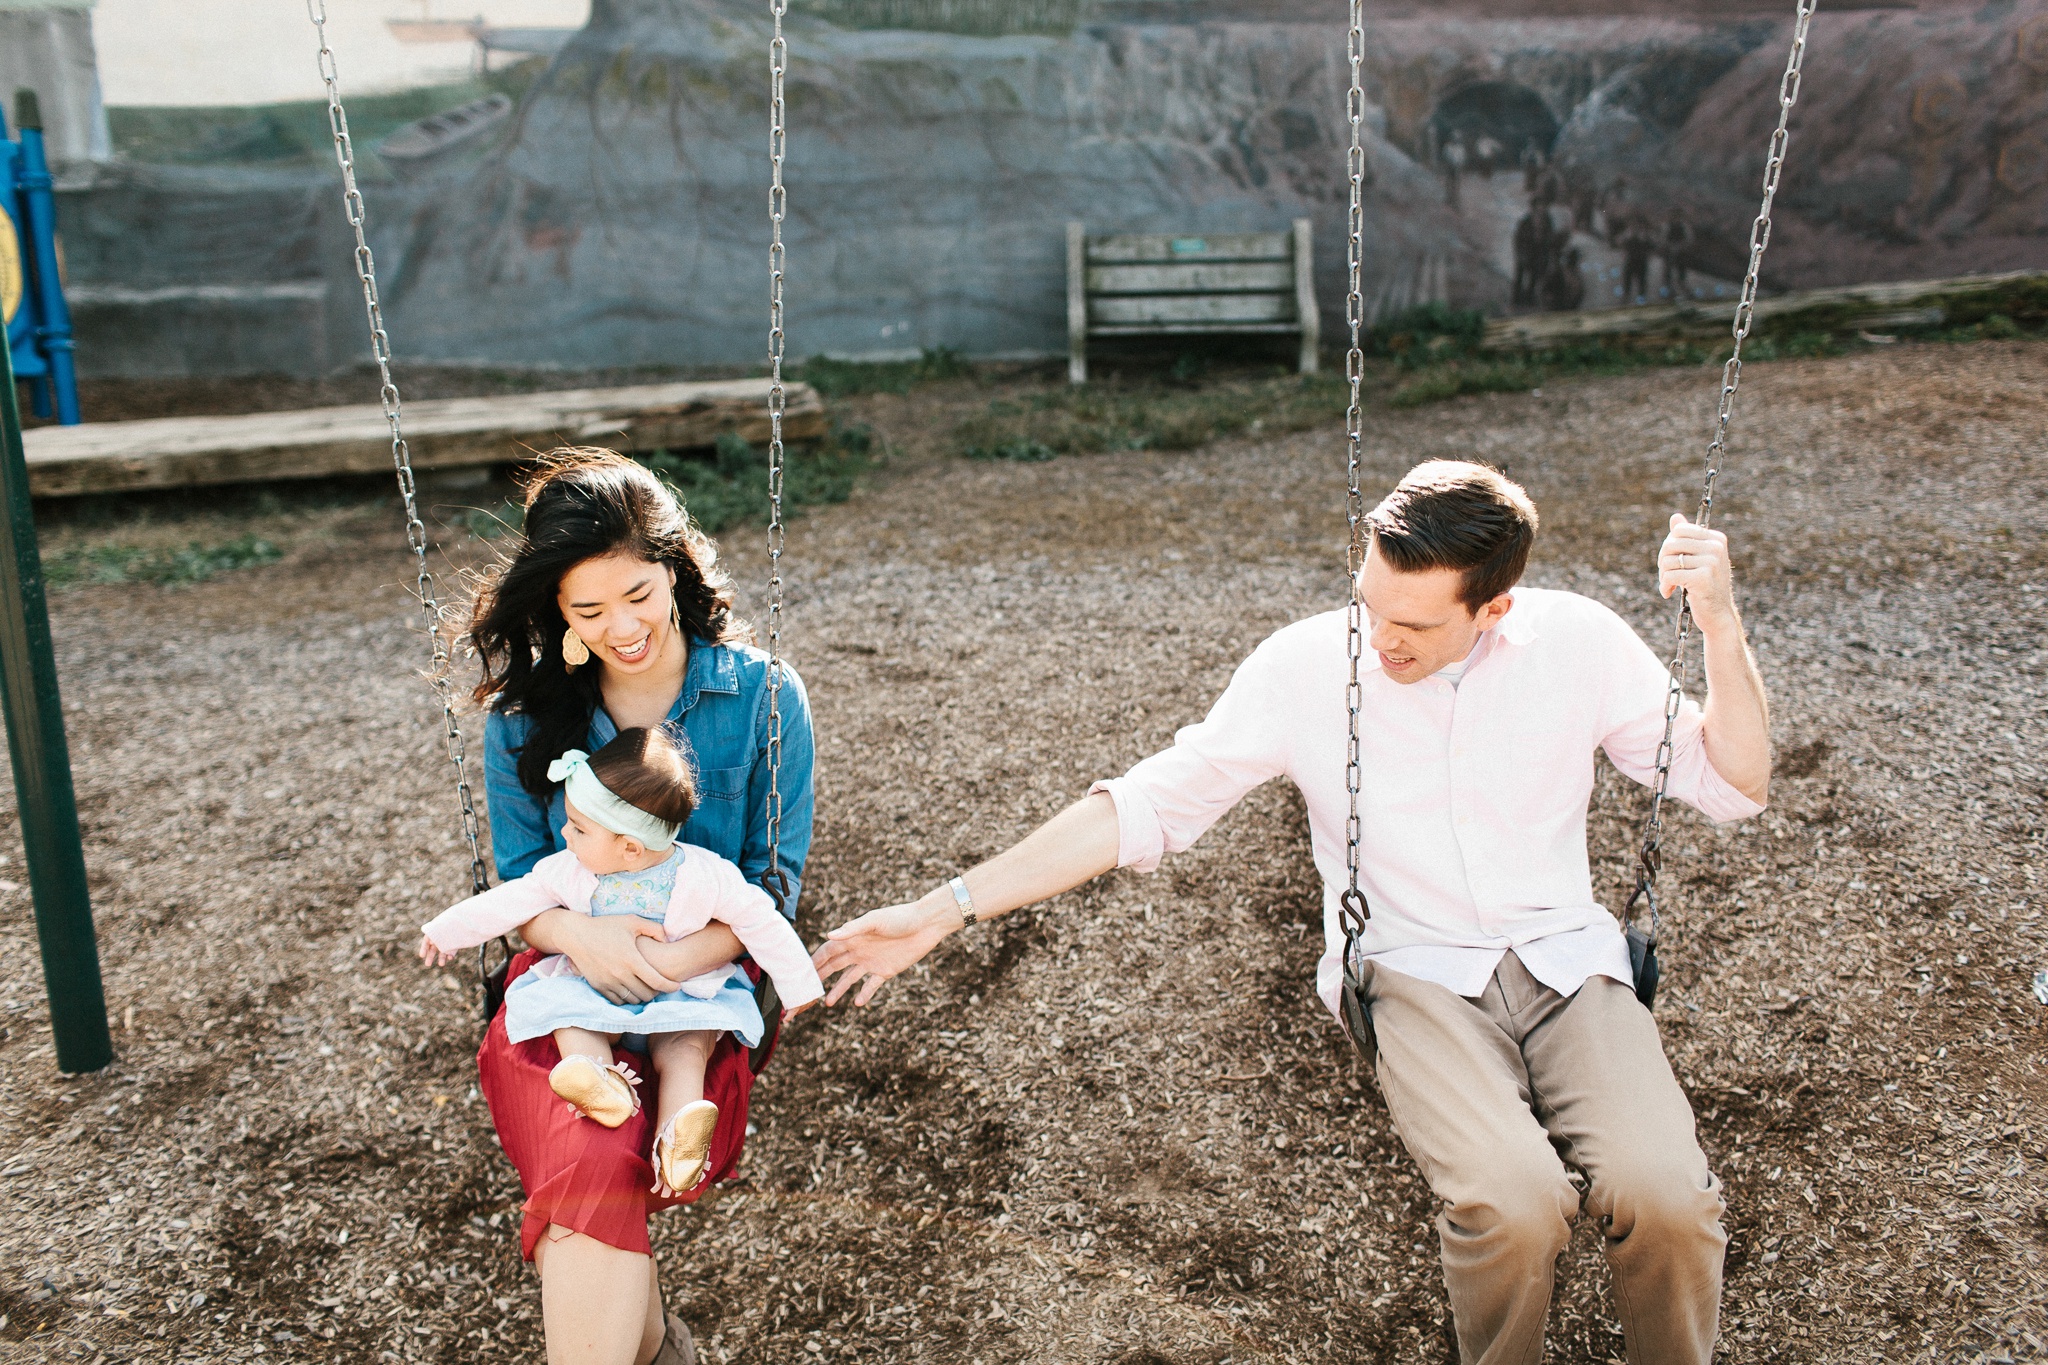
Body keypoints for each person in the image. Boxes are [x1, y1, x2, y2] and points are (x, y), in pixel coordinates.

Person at [815, 461, 1771, 1365]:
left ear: (1495, 607)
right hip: (1413, 969)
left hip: (1569, 962)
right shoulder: (1307, 665)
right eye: (1370, 604)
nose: (1380, 639)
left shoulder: (1580, 642)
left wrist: (1719, 624)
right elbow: (1148, 803)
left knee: (1671, 1197)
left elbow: (1736, 781)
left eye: (1415, 625)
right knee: (1514, 1203)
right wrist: (947, 907)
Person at [467, 448, 815, 1365]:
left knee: (604, 1164)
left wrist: (670, 961)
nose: (623, 627)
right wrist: (581, 933)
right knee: (592, 1154)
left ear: (675, 568)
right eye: (589, 610)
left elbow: (773, 886)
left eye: (638, 594)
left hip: (698, 1001)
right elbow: (516, 888)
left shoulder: (763, 700)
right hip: (561, 990)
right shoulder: (521, 720)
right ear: (558, 615)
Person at [418, 726, 823, 1195]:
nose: (565, 833)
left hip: (681, 995)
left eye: (579, 827)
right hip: (595, 987)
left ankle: (681, 1138)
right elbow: (511, 901)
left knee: (687, 1048)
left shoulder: (705, 874)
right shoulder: (568, 868)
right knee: (572, 1018)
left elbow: (761, 918)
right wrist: (447, 930)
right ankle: (599, 1082)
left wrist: (797, 983)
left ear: (630, 846)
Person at [1662, 206, 1695, 297]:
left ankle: (1683, 289)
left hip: (1681, 252)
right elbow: (1663, 239)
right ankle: (1669, 290)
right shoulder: (1667, 226)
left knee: (1681, 273)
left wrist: (1681, 246)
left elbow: (1689, 239)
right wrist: (1670, 246)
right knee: (1668, 272)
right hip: (1670, 251)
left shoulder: (1684, 226)